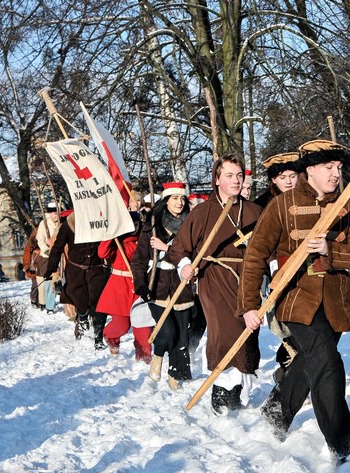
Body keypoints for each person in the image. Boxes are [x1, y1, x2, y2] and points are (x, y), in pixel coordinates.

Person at [238, 139, 350, 463]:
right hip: (297, 300)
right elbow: (255, 255)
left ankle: (276, 410)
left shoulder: (348, 205)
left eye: (339, 168)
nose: (335, 174)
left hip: (336, 301)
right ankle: (341, 446)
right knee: (327, 364)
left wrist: (331, 251)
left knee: (311, 361)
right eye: (328, 167)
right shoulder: (282, 206)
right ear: (310, 170)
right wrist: (247, 305)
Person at [168, 155, 262, 413]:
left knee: (248, 332)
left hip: (247, 280)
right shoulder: (203, 212)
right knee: (224, 330)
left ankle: (237, 389)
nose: (236, 180)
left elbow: (270, 248)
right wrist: (185, 265)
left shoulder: (254, 212)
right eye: (229, 175)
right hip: (214, 278)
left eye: (239, 175)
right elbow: (178, 249)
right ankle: (221, 390)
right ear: (217, 179)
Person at [132, 183, 204, 391]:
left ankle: (175, 373)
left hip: (183, 288)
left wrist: (169, 249)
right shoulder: (152, 227)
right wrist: (141, 286)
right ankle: (158, 355)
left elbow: (196, 255)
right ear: (166, 201)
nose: (179, 203)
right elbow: (138, 261)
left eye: (182, 199)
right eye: (174, 199)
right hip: (158, 287)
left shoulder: (191, 226)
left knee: (182, 333)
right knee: (167, 331)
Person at [253, 151, 302, 382]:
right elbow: (259, 242)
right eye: (283, 177)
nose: (289, 181)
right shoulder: (262, 205)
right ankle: (287, 372)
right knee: (284, 323)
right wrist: (273, 264)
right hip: (275, 271)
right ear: (273, 179)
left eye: (293, 175)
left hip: (305, 269)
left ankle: (294, 372)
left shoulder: (305, 198)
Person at [44, 210, 109, 349]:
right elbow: (57, 248)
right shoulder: (69, 224)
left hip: (96, 270)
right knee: (80, 299)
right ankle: (82, 314)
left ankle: (98, 338)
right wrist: (51, 268)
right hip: (75, 271)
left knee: (98, 305)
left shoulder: (101, 222)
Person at [96, 212, 151, 362]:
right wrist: (110, 234)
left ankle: (144, 356)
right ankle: (111, 337)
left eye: (136, 223)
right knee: (121, 325)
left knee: (143, 327)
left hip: (139, 285)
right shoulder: (117, 241)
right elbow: (102, 253)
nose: (133, 226)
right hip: (119, 287)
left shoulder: (144, 238)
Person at [35, 202, 60, 313]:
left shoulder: (61, 223)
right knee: (48, 281)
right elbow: (40, 240)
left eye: (58, 213)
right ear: (50, 213)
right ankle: (49, 306)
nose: (56, 215)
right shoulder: (43, 224)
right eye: (55, 213)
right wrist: (46, 249)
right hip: (47, 256)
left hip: (60, 255)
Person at [22, 227, 40, 307]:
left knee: (43, 285)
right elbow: (26, 256)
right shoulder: (30, 244)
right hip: (33, 267)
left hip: (42, 265)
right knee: (35, 285)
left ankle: (41, 301)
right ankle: (34, 300)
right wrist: (27, 265)